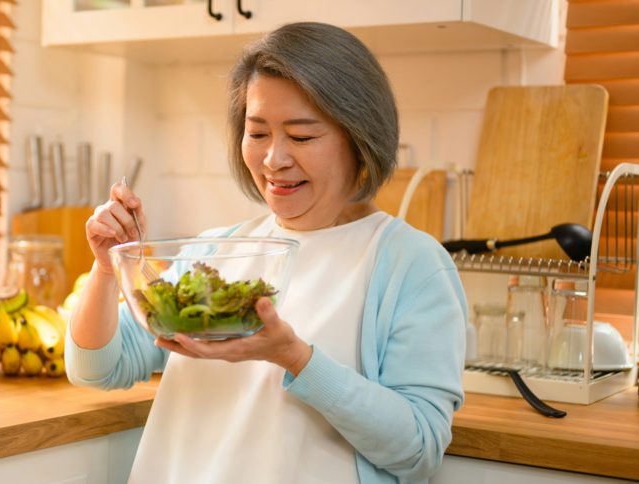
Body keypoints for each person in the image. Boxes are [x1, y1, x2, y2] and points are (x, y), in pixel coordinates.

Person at [66, 22, 466, 484]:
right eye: (257, 134)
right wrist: (106, 270)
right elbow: (98, 367)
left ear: (360, 138)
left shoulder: (410, 264)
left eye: (301, 137)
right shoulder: (218, 251)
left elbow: (417, 450)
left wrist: (296, 358)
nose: (274, 159)